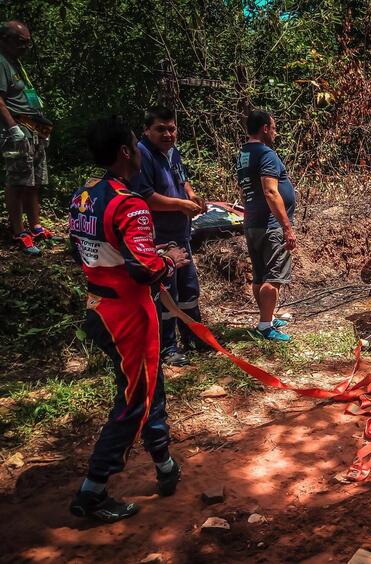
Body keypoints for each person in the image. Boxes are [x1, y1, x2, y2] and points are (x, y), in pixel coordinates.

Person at [68, 115, 189, 523]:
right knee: (134, 400)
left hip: (99, 305)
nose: (140, 150)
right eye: (135, 143)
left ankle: (165, 465)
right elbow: (143, 268)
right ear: (125, 152)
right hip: (128, 315)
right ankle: (93, 491)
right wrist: (169, 261)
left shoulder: (84, 195)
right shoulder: (128, 204)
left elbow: (81, 250)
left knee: (147, 384)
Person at [132, 106, 204, 366]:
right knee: (166, 294)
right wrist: (180, 205)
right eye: (160, 129)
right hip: (159, 239)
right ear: (147, 130)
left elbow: (183, 180)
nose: (167, 134)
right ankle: (167, 347)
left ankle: (194, 337)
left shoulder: (172, 153)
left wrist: (192, 195)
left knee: (189, 289)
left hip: (181, 234)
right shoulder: (142, 155)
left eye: (171, 128)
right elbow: (146, 197)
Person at [237, 109, 297, 341]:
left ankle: (267, 317)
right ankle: (265, 326)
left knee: (260, 276)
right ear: (264, 128)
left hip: (253, 223)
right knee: (273, 278)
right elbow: (271, 192)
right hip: (270, 225)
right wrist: (286, 227)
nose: (275, 131)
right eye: (273, 127)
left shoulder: (243, 154)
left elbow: (245, 191)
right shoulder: (266, 154)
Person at [0, 20, 55, 256]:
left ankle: (35, 226)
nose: (25, 47)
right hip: (18, 128)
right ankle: (18, 230)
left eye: (27, 43)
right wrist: (13, 128)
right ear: (5, 40)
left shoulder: (15, 62)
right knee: (18, 181)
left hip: (34, 128)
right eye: (21, 42)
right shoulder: (1, 63)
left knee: (34, 181)